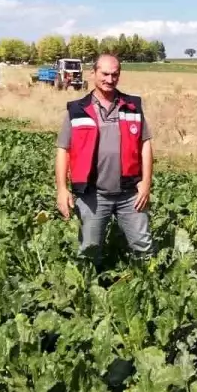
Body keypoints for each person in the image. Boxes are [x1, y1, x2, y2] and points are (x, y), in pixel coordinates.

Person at [55, 53, 153, 263]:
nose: (110, 79)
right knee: (89, 251)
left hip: (130, 194)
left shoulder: (133, 106)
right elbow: (63, 149)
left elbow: (145, 144)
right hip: (93, 195)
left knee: (143, 247)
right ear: (93, 73)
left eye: (115, 75)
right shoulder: (77, 110)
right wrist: (62, 189)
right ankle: (90, 282)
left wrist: (146, 183)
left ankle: (148, 280)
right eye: (105, 74)